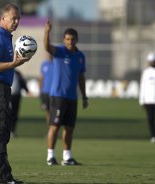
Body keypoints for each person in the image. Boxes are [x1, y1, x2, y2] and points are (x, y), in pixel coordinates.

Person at [0, 4, 30, 184]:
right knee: (0, 133)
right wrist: (13, 64)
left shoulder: (6, 37)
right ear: (3, 18)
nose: (16, 22)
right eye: (13, 18)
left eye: (18, 19)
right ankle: (3, 177)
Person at [44, 20, 89, 166]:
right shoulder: (60, 51)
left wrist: (84, 96)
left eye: (73, 39)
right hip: (58, 96)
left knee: (69, 128)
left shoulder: (81, 56)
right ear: (64, 40)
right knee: (55, 126)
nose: (70, 41)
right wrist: (47, 31)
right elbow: (46, 47)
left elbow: (81, 77)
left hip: (72, 97)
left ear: (77, 40)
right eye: (67, 39)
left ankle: (67, 157)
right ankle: (50, 156)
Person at [10, 69, 30, 137]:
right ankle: (5, 130)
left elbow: (22, 82)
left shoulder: (17, 73)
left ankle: (12, 131)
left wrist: (27, 90)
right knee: (7, 113)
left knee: (14, 113)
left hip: (16, 95)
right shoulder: (5, 71)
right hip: (7, 95)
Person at [39, 53, 53, 126]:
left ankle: (54, 129)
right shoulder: (44, 64)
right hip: (46, 91)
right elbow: (41, 78)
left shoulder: (57, 64)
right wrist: (40, 90)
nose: (49, 55)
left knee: (54, 111)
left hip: (54, 92)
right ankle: (50, 129)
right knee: (48, 111)